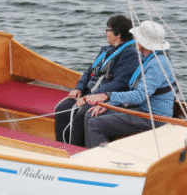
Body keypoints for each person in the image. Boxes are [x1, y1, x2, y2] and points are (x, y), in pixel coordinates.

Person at [84, 20, 176, 148]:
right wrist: (111, 104)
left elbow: (139, 96)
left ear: (143, 42)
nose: (134, 39)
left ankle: (100, 161)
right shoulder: (150, 57)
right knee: (91, 114)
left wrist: (107, 96)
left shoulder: (157, 64)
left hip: (153, 117)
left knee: (95, 124)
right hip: (141, 109)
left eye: (137, 37)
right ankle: (88, 152)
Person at [54, 15, 139, 146]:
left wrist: (90, 97)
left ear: (118, 34)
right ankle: (61, 146)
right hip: (89, 91)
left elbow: (119, 83)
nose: (106, 32)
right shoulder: (105, 51)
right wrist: (79, 88)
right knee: (62, 108)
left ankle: (76, 150)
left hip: (106, 96)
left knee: (82, 114)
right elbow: (89, 72)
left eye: (108, 30)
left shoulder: (130, 54)